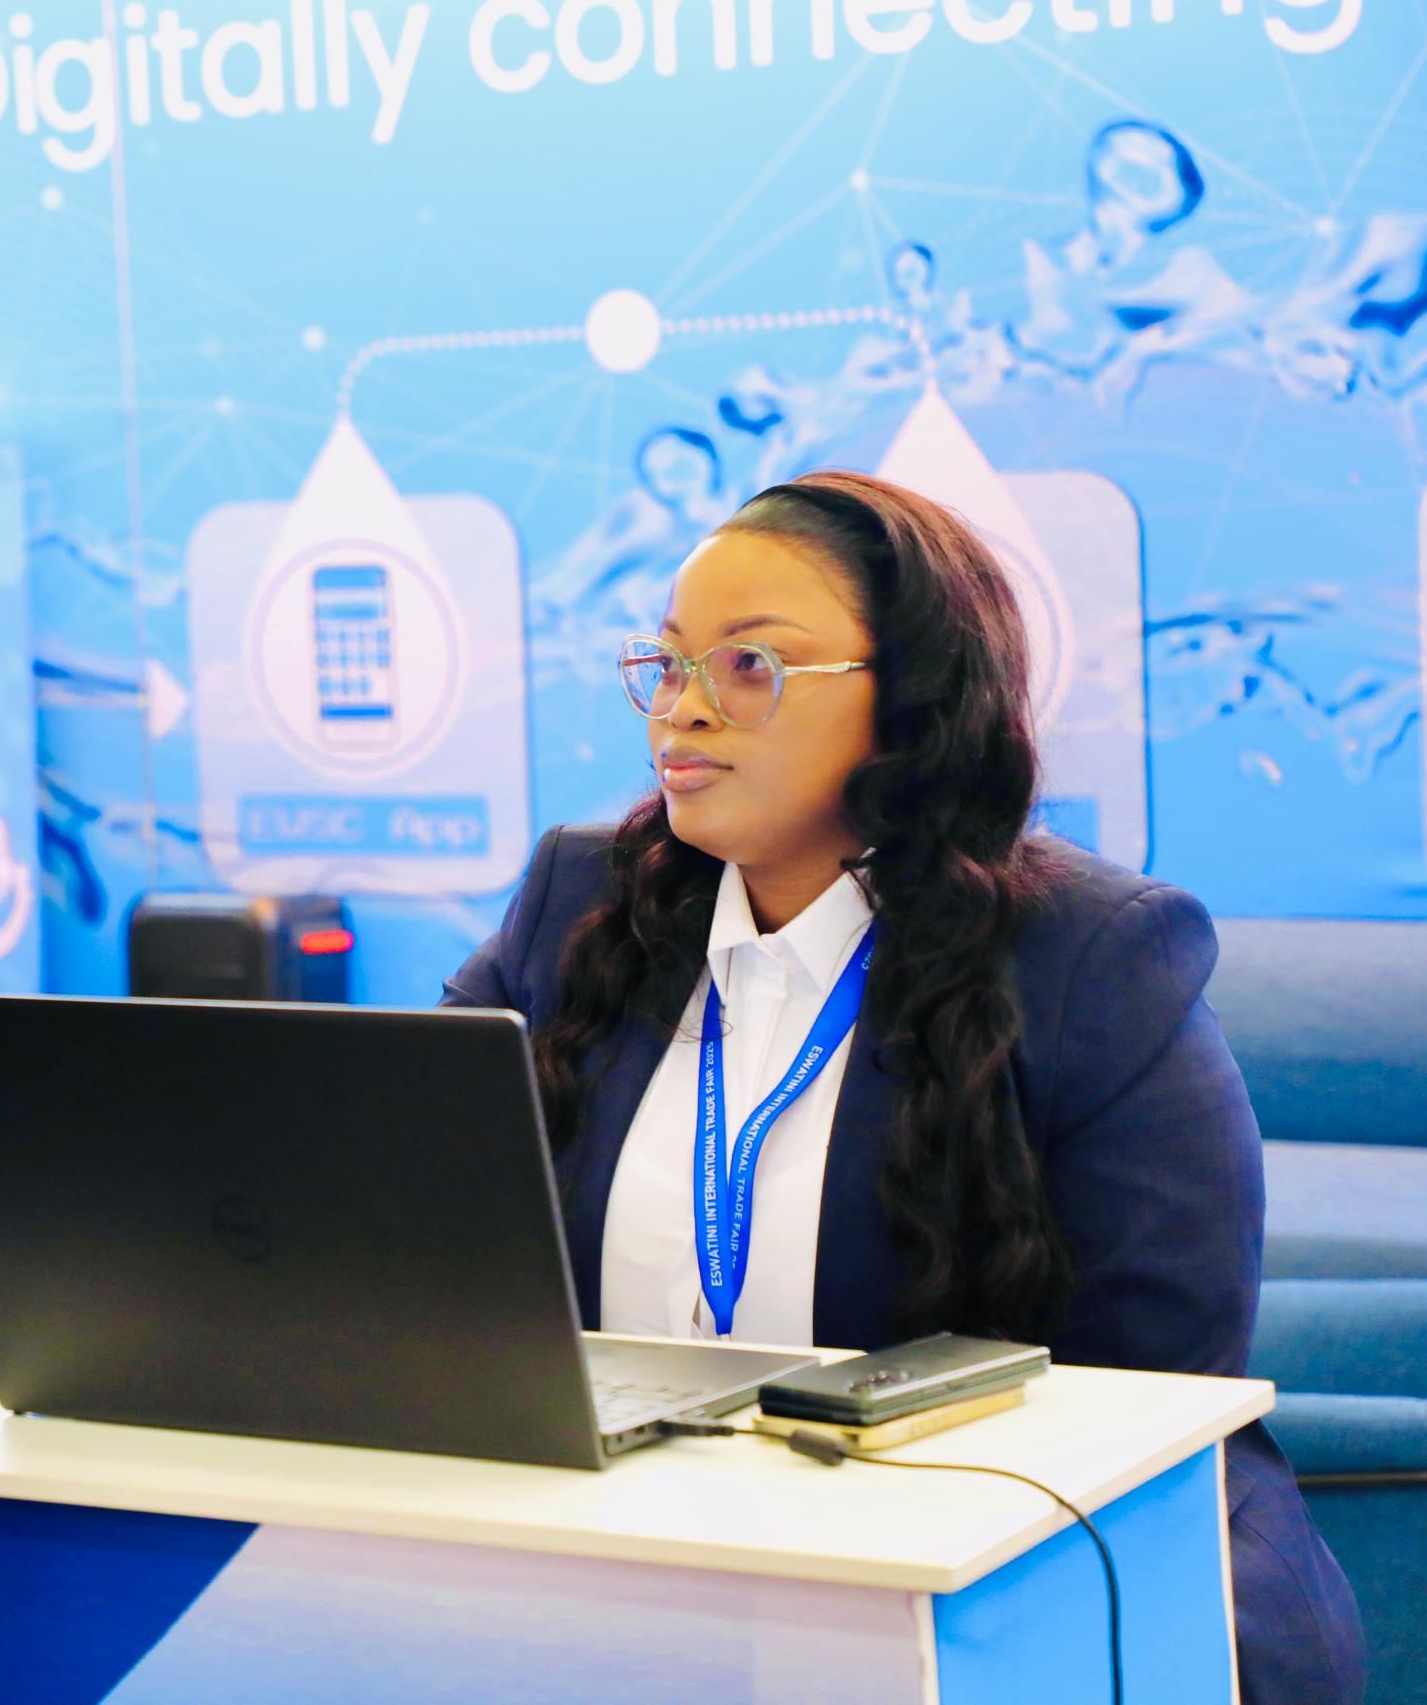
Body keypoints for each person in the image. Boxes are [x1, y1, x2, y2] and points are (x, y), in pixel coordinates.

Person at [444, 471, 1364, 1704]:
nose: (683, 708)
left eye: (750, 665)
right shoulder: (579, 898)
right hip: (652, 1580)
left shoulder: (1092, 954)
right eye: (666, 664)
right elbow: (403, 1193)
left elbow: (1153, 1394)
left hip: (1031, 1588)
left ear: (910, 701)